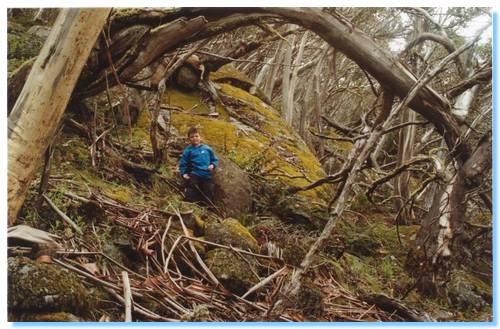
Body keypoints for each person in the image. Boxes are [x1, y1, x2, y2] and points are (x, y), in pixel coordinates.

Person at [179, 127, 219, 206]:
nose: (195, 138)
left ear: (200, 137)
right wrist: (184, 173)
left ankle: (207, 208)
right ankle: (188, 204)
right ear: (189, 139)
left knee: (208, 191)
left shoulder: (207, 148)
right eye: (192, 137)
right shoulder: (188, 150)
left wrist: (212, 165)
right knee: (192, 188)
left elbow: (215, 159)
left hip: (207, 174)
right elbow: (183, 163)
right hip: (195, 174)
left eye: (196, 136)